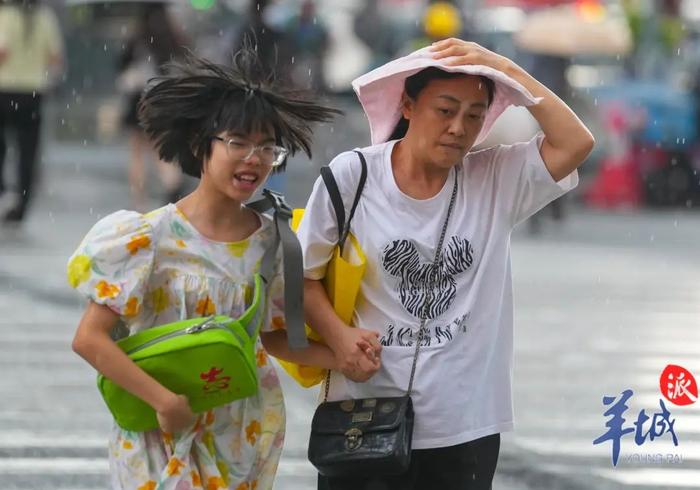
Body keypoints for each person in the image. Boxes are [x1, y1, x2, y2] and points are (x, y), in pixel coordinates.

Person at [297, 39, 594, 489]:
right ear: (409, 106)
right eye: (445, 110)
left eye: (474, 115)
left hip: (465, 428)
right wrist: (340, 340)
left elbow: (576, 142)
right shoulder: (352, 177)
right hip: (362, 416)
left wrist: (501, 66)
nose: (458, 127)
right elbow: (300, 279)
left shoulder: (495, 179)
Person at [68, 47, 345, 489]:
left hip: (239, 436)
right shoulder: (145, 237)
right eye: (238, 142)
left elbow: (269, 339)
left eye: (267, 148)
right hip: (154, 431)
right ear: (201, 146)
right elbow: (89, 340)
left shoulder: (274, 242)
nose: (254, 159)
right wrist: (163, 401)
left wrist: (344, 356)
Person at [116, 3, 187, 210]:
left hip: (138, 100)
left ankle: (140, 202)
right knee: (159, 149)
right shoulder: (172, 37)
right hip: (163, 100)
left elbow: (121, 65)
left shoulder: (137, 37)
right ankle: (172, 183)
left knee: (137, 153)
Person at [0, 0, 63, 224]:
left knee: (2, 146)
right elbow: (55, 58)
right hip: (33, 92)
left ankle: (4, 191)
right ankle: (22, 201)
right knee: (28, 150)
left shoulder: (4, 14)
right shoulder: (45, 17)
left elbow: (2, 51)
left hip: (4, 89)